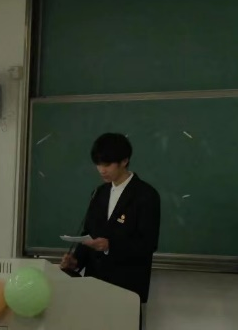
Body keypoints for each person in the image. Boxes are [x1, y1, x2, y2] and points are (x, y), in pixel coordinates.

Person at [60, 133, 161, 329]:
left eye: (107, 164)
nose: (102, 170)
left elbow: (148, 244)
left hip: (126, 288)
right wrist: (76, 262)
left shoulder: (146, 195)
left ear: (124, 161)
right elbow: (89, 234)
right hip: (94, 286)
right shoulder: (99, 193)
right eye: (98, 164)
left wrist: (110, 246)